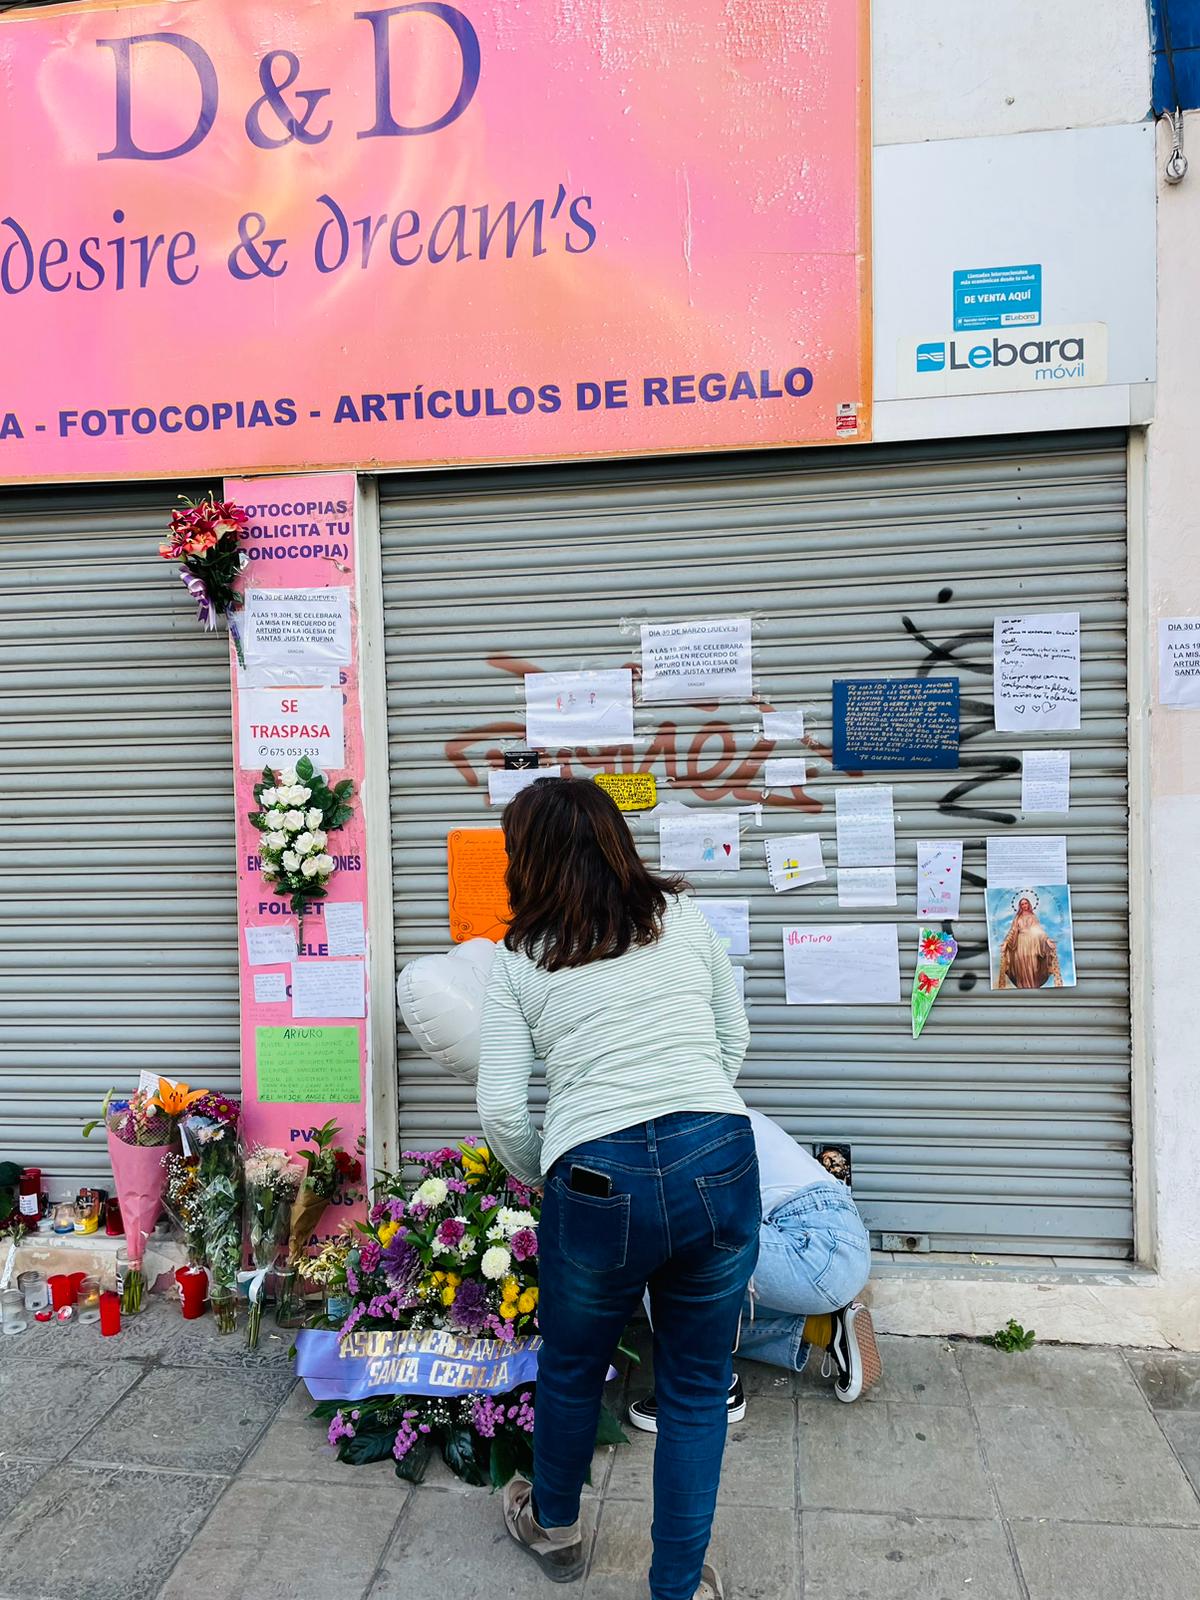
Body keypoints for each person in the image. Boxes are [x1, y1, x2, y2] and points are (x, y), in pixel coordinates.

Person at [476, 777, 757, 1600]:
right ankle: (677, 1585)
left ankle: (554, 1526)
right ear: (614, 842)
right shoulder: (685, 919)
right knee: (698, 1385)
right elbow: (731, 1040)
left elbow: (499, 1106)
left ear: (526, 860)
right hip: (719, 1153)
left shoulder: (522, 958)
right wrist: (693, 1121)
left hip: (595, 1177)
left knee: (571, 1365)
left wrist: (546, 1170)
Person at [627, 1107, 881, 1434]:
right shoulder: (711, 1113)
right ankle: (821, 1327)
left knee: (664, 1241)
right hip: (830, 1250)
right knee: (700, 1305)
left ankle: (702, 1388)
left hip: (816, 1248)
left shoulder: (684, 1131)